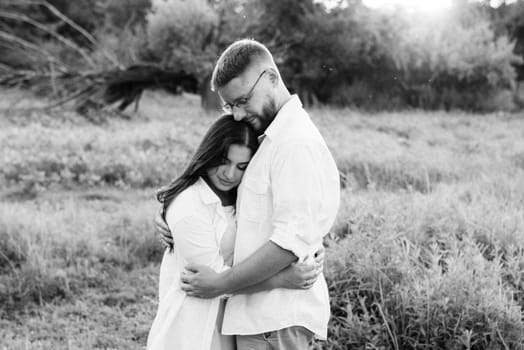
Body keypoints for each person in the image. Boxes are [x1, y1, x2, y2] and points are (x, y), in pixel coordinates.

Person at [179, 39, 341, 349]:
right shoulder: (270, 138)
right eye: (230, 106)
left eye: (242, 101)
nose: (237, 115)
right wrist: (169, 214)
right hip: (261, 318)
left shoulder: (294, 145)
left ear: (271, 78)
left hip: (275, 321)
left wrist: (220, 284)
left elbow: (288, 244)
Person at [147, 114, 323, 350]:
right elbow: (210, 283)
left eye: (241, 167)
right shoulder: (189, 205)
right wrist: (281, 279)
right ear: (208, 153)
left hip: (232, 323)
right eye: (224, 161)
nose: (230, 174)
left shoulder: (242, 196)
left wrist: (308, 248)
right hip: (193, 327)